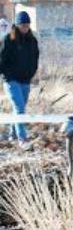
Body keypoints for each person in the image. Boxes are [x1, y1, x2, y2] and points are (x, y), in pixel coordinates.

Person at [0, 10, 39, 147]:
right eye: (23, 25)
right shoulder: (8, 40)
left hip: (25, 80)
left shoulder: (32, 41)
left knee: (19, 109)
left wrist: (31, 73)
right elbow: (1, 59)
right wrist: (5, 75)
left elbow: (35, 59)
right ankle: (23, 139)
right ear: (17, 25)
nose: (25, 28)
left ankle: (13, 134)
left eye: (27, 25)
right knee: (19, 108)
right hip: (11, 80)